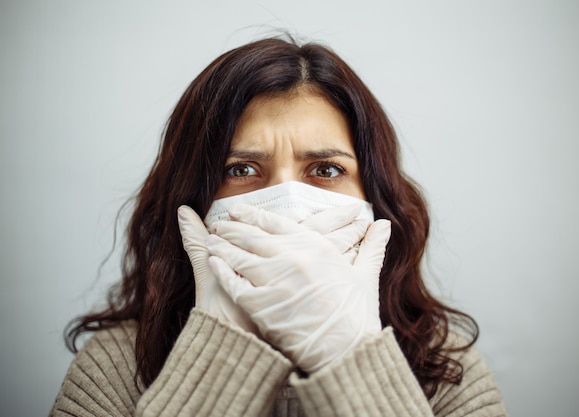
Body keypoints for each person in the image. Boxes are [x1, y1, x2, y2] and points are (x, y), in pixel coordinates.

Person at [50, 37, 508, 417]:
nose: (286, 207)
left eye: (325, 170)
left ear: (376, 198)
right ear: (191, 195)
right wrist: (219, 354)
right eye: (241, 170)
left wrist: (351, 356)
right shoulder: (113, 367)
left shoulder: (444, 368)